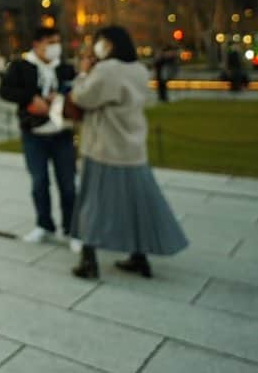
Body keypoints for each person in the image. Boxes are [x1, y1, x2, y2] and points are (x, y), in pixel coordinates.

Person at [69, 26, 188, 279]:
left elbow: (83, 98)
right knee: (135, 205)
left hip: (104, 148)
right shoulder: (139, 70)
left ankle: (88, 260)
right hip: (133, 149)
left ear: (109, 44)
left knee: (93, 204)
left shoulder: (106, 70)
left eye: (99, 41)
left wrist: (82, 74)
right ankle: (139, 256)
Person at [0, 28, 77, 244]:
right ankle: (44, 224)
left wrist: (59, 98)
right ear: (37, 44)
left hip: (62, 133)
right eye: (50, 42)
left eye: (57, 42)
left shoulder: (64, 67)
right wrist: (30, 100)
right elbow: (5, 90)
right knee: (39, 182)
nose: (55, 47)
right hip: (34, 134)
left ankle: (71, 228)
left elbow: (76, 90)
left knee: (68, 184)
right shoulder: (21, 66)